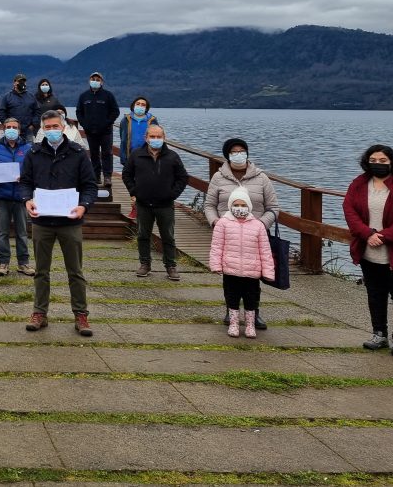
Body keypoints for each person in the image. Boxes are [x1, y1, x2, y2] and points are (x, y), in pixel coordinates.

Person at [20, 110, 98, 334]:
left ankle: (81, 315)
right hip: (42, 221)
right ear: (42, 129)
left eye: (55, 126)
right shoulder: (33, 153)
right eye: (48, 127)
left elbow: (90, 186)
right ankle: (39, 313)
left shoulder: (78, 153)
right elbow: (25, 182)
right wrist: (27, 200)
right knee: (41, 271)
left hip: (70, 221)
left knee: (75, 271)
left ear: (63, 127)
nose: (52, 130)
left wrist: (84, 206)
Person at [343, 145, 393, 358]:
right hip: (369, 251)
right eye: (373, 160)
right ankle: (379, 334)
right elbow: (349, 211)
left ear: (392, 162)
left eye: (382, 160)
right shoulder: (358, 184)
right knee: (375, 294)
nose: (377, 164)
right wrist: (367, 234)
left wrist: (384, 236)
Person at [205, 138, 280, 330]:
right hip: (228, 233)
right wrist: (215, 221)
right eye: (234, 152)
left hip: (254, 235)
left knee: (252, 277)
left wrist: (261, 224)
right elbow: (209, 205)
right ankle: (230, 311)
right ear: (227, 156)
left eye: (242, 151)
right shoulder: (218, 177)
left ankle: (254, 313)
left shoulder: (261, 178)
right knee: (230, 277)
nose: (238, 154)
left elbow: (273, 207)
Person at [122, 124, 189, 281]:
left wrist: (172, 194)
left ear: (164, 138)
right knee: (143, 235)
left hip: (165, 204)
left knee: (168, 236)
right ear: (146, 138)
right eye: (152, 136)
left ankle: (171, 265)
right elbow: (126, 174)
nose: (155, 139)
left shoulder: (172, 156)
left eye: (159, 136)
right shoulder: (136, 155)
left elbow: (183, 177)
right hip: (143, 203)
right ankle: (145, 264)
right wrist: (134, 192)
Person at [208, 187, 275, 339]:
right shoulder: (223, 223)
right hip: (231, 270)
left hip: (252, 271)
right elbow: (217, 246)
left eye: (243, 205)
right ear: (230, 206)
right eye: (236, 205)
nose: (240, 208)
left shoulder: (258, 225)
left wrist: (268, 271)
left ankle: (250, 325)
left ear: (249, 206)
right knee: (232, 297)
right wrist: (216, 265)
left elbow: (265, 250)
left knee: (252, 299)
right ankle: (234, 323)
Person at [0, 119, 34, 277]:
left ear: (19, 130)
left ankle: (23, 263)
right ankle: (3, 263)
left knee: (22, 232)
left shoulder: (27, 148)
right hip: (2, 195)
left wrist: (25, 177)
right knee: (2, 232)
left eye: (14, 127)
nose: (11, 129)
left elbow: (34, 170)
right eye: (8, 127)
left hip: (21, 196)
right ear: (3, 129)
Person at [75, 71, 120, 186]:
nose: (95, 81)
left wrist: (108, 122)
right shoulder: (84, 96)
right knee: (94, 154)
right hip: (90, 131)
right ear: (89, 81)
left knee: (107, 153)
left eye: (98, 80)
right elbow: (79, 112)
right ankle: (96, 176)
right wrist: (84, 124)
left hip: (106, 131)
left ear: (102, 82)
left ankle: (107, 177)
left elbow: (115, 111)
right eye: (93, 79)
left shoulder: (108, 95)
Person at [0, 73, 40, 143]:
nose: (22, 83)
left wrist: (33, 124)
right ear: (14, 83)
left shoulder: (31, 96)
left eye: (23, 81)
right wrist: (7, 124)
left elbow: (37, 111)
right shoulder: (7, 97)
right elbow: (1, 112)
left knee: (29, 148)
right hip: (12, 130)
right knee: (11, 147)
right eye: (19, 81)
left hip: (28, 130)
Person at [118, 96, 158, 166]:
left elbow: (157, 137)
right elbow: (123, 138)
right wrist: (123, 157)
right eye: (138, 104)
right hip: (130, 156)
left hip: (148, 157)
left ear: (146, 108)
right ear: (133, 106)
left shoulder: (152, 121)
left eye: (143, 105)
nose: (140, 106)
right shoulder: (126, 120)